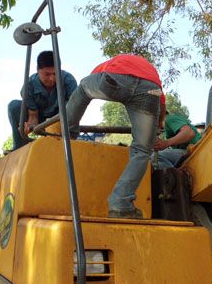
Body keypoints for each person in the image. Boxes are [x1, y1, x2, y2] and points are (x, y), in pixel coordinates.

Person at [64, 54, 166, 219]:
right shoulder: (147, 68)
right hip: (150, 89)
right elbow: (161, 101)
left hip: (116, 80)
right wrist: (158, 124)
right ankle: (121, 204)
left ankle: (67, 133)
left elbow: (88, 91)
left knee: (83, 87)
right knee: (142, 150)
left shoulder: (102, 67)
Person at [8, 51, 77, 151]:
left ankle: (70, 143)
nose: (52, 78)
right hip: (40, 121)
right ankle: (20, 146)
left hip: (62, 120)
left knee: (74, 110)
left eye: (55, 73)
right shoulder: (29, 86)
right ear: (37, 70)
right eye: (47, 74)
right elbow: (33, 115)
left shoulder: (69, 81)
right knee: (13, 106)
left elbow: (75, 110)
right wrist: (29, 127)